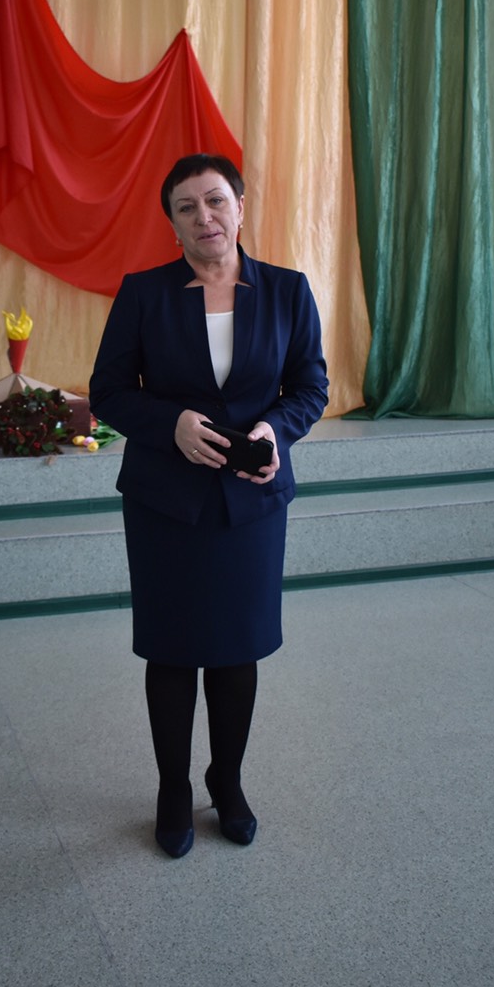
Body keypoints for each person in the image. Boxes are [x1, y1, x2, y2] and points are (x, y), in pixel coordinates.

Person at [89, 153, 329, 858]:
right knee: (171, 648)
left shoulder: (287, 290)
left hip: (251, 500)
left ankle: (227, 781)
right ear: (172, 224)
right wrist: (171, 424)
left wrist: (275, 428)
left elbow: (310, 387)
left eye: (216, 200)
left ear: (241, 207)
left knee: (235, 647)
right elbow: (108, 391)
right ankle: (172, 788)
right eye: (187, 207)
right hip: (166, 501)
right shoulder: (144, 293)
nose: (205, 217)